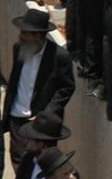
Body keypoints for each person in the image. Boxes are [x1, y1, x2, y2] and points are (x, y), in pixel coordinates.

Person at [3, 9, 75, 167]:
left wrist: (47, 113)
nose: (21, 36)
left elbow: (66, 88)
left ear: (38, 35)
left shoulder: (59, 57)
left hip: (40, 122)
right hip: (17, 115)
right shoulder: (19, 48)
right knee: (19, 161)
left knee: (42, 164)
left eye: (25, 33)